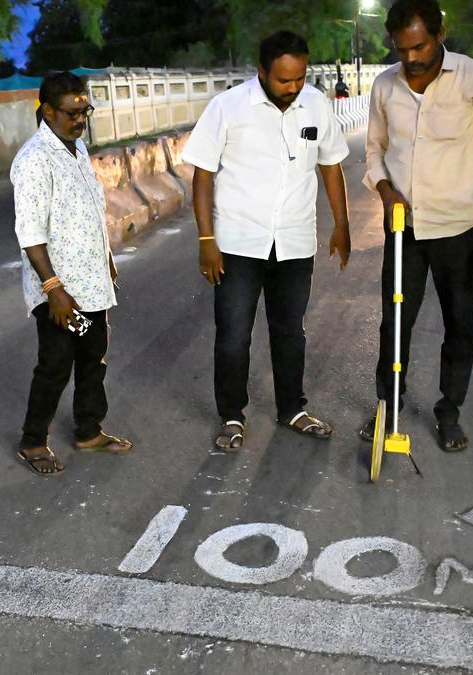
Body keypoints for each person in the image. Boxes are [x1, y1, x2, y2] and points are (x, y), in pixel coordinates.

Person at [358, 0, 473, 452]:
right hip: (403, 229)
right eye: (401, 49)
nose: (410, 58)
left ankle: (449, 411)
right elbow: (374, 150)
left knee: (458, 324)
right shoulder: (384, 86)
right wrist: (385, 190)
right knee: (395, 322)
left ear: (439, 34)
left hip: (458, 227)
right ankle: (389, 406)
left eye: (419, 46)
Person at [182, 31, 352, 450]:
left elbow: (331, 166)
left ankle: (292, 408)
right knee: (234, 335)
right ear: (261, 71)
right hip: (237, 243)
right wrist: (206, 238)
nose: (293, 88)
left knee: (290, 331)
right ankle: (231, 416)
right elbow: (203, 174)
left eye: (300, 78)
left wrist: (342, 223)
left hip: (295, 241)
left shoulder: (316, 104)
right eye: (283, 80)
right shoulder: (228, 107)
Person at [10, 71, 132, 475]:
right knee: (55, 365)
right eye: (72, 113)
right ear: (48, 111)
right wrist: (53, 289)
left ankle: (88, 431)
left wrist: (105, 258)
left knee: (94, 357)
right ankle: (33, 441)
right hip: (61, 292)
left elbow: (87, 211)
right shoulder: (34, 160)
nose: (81, 120)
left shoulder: (75, 147)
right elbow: (30, 234)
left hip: (91, 283)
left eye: (85, 111)